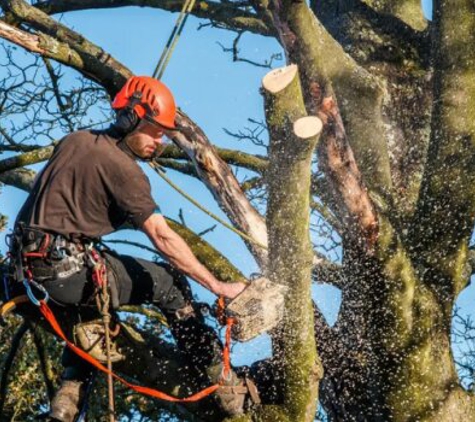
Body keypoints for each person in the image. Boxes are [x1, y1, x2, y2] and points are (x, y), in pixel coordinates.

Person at [7, 76, 256, 421]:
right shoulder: (124, 170)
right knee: (169, 283)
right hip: (65, 273)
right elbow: (163, 237)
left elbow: (68, 204)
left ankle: (63, 409)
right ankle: (224, 385)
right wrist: (218, 286)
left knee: (91, 329)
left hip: (22, 277)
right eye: (155, 131)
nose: (161, 140)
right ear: (131, 118)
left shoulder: (74, 142)